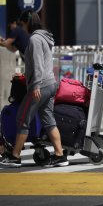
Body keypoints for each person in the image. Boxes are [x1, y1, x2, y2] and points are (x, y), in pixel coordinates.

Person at [0, 10, 68, 168]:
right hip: (50, 82)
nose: (22, 28)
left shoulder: (35, 39)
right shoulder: (45, 37)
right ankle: (60, 155)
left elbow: (37, 64)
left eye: (22, 25)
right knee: (48, 119)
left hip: (40, 85)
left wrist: (35, 84)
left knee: (22, 119)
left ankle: (15, 156)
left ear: (26, 23)